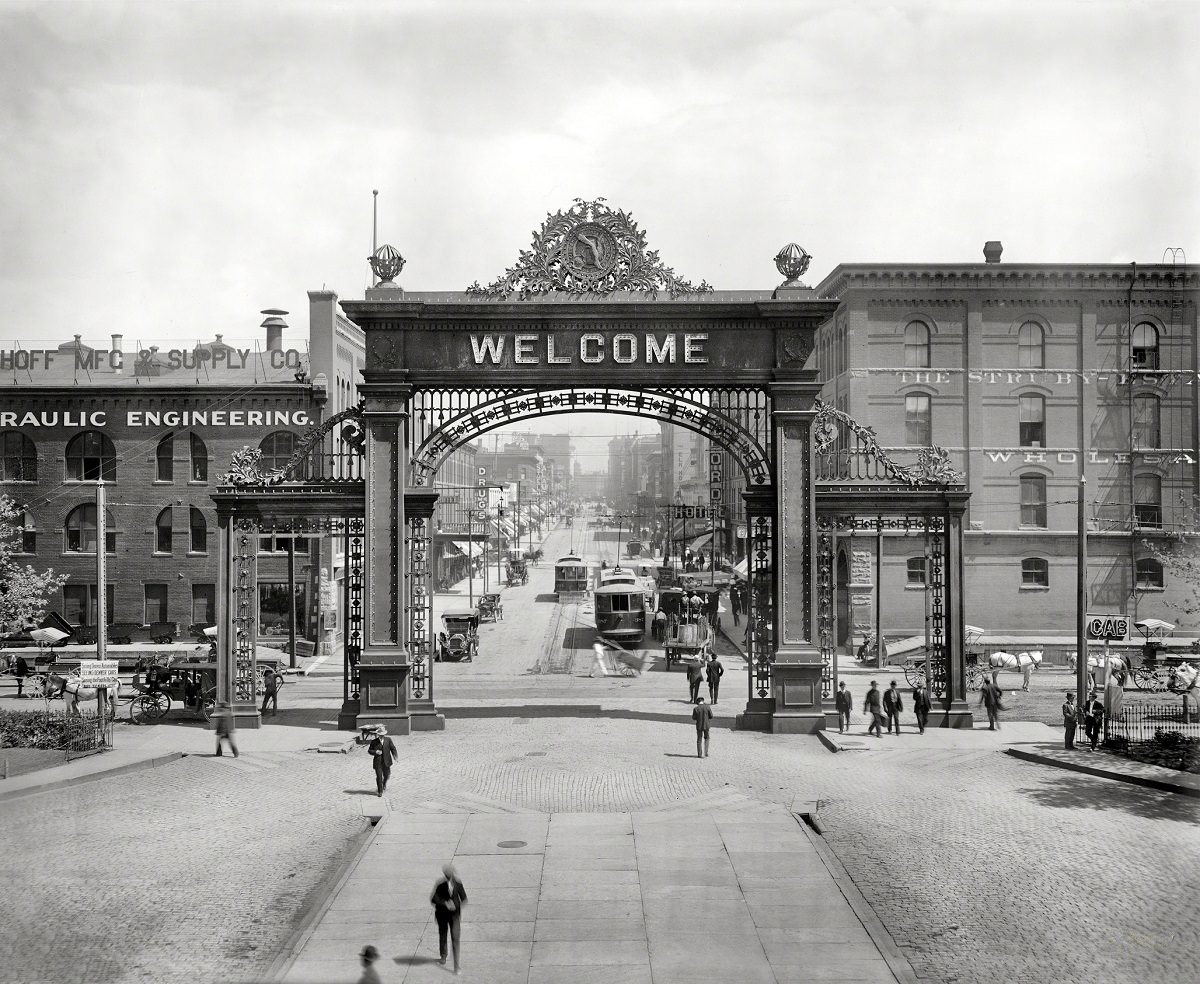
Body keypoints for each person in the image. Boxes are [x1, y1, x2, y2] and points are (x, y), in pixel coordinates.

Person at [430, 862, 467, 975]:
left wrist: (456, 906)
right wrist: (445, 903)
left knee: (455, 940)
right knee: (443, 935)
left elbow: (464, 898)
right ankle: (443, 956)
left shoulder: (458, 884)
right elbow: (433, 899)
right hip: (442, 915)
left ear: (453, 874)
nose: (448, 876)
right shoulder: (440, 884)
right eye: (447, 874)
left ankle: (456, 966)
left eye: (450, 874)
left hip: (455, 916)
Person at [359, 724, 398, 796]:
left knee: (387, 775)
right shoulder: (374, 741)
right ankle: (380, 791)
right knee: (379, 776)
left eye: (383, 734)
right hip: (378, 762)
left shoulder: (388, 740)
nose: (382, 736)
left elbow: (393, 748)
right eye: (380, 734)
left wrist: (395, 756)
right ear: (378, 734)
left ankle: (384, 783)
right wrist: (375, 752)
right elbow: (370, 750)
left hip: (387, 761)